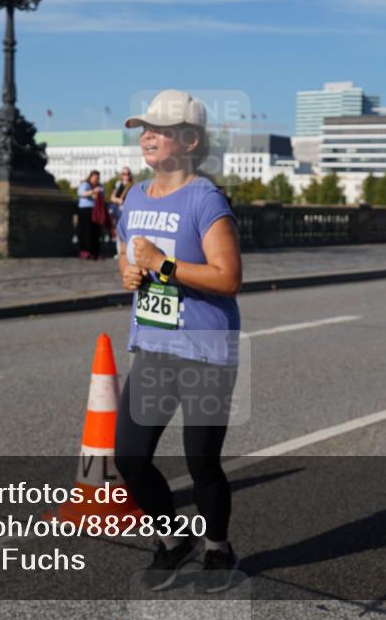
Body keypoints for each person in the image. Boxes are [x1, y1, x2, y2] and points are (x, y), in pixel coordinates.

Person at [114, 89, 243, 593]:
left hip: (206, 350)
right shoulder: (135, 197)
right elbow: (126, 258)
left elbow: (228, 278)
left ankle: (217, 548)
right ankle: (172, 540)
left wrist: (160, 265)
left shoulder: (205, 198)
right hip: (153, 345)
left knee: (202, 462)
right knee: (129, 457)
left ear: (189, 141)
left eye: (160, 129)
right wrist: (127, 273)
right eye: (144, 127)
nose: (146, 135)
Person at [77, 171, 104, 259]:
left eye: (97, 178)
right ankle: (85, 251)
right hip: (85, 210)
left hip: (95, 210)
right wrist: (92, 192)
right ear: (90, 177)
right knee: (85, 231)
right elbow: (81, 193)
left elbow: (101, 197)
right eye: (94, 178)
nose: (96, 180)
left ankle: (94, 251)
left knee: (95, 231)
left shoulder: (99, 186)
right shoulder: (85, 184)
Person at [109, 167, 134, 257]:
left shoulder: (133, 185)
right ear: (121, 175)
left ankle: (128, 252)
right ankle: (120, 253)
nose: (126, 176)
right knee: (118, 231)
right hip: (119, 210)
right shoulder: (118, 184)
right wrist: (118, 200)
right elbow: (112, 197)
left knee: (128, 232)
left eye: (127, 174)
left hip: (129, 210)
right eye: (124, 174)